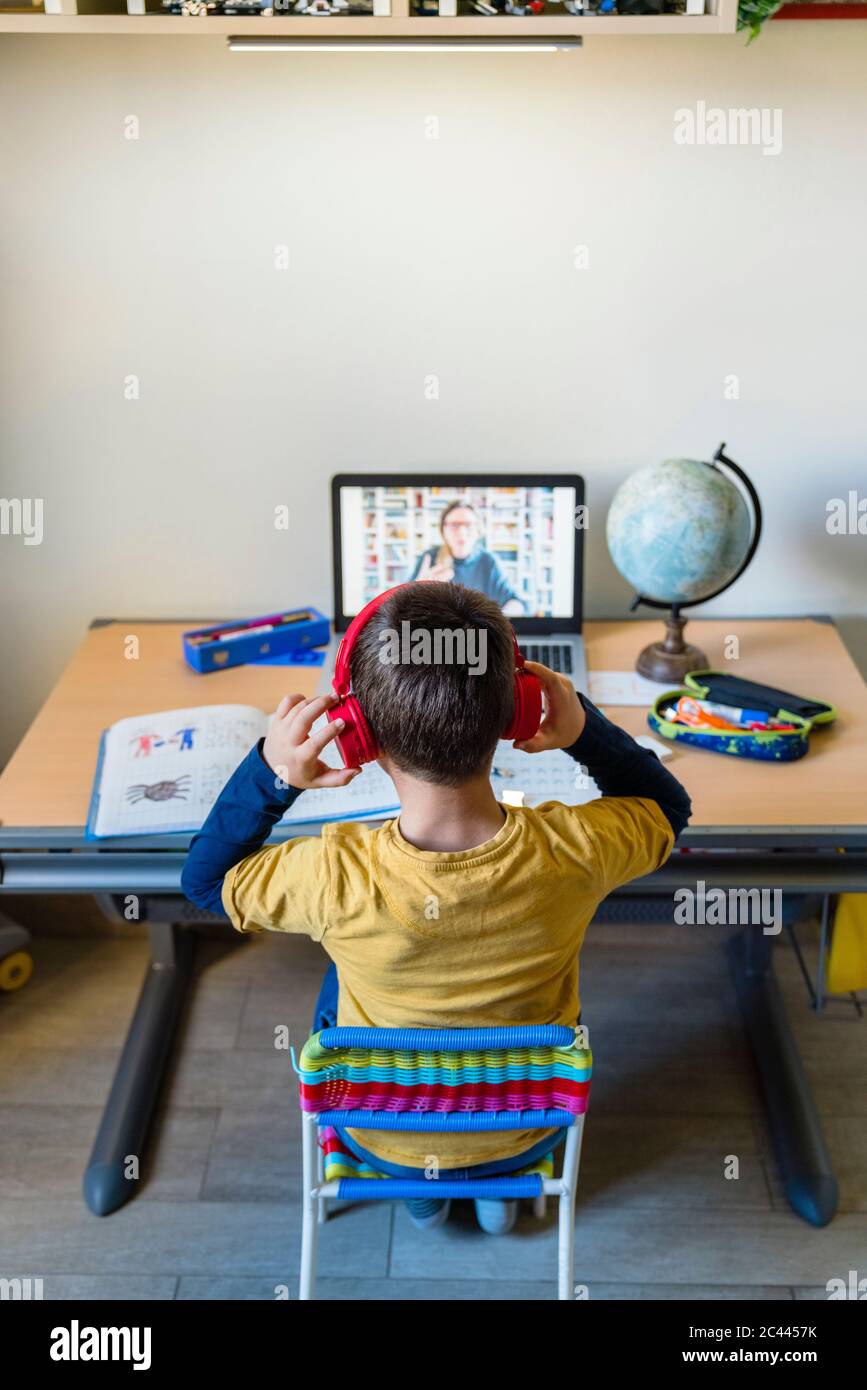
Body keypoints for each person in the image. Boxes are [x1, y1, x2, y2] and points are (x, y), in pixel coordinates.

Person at [182, 582, 691, 1236]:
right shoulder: (576, 848)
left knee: (340, 975)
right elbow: (667, 813)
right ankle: (494, 1193)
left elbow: (205, 881)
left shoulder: (331, 876)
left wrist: (272, 772)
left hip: (378, 1131)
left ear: (358, 735)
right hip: (527, 1125)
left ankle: (418, 1196)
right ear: (518, 712)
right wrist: (583, 731)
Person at [409, 501, 525, 615]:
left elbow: (516, 602)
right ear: (443, 529)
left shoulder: (488, 561)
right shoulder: (429, 559)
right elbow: (399, 606)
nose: (461, 531)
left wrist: (497, 622)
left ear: (478, 530)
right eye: (454, 525)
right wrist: (417, 589)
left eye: (468, 525)